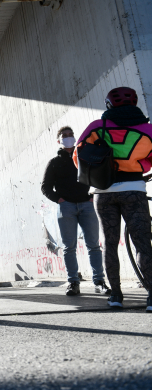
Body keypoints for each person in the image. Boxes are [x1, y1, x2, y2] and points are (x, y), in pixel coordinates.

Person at [74, 87, 152, 311]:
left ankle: (116, 296)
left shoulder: (97, 127)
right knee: (142, 243)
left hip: (103, 193)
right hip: (134, 189)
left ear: (109, 105)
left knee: (109, 243)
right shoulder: (148, 129)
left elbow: (77, 158)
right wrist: (141, 166)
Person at [41, 126, 110, 296]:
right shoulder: (54, 162)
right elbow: (45, 186)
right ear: (59, 141)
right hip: (67, 207)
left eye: (70, 135)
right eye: (64, 136)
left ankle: (99, 282)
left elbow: (97, 174)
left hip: (86, 205)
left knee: (94, 245)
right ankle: (73, 283)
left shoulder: (83, 156)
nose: (68, 137)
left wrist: (92, 195)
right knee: (68, 247)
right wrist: (59, 199)